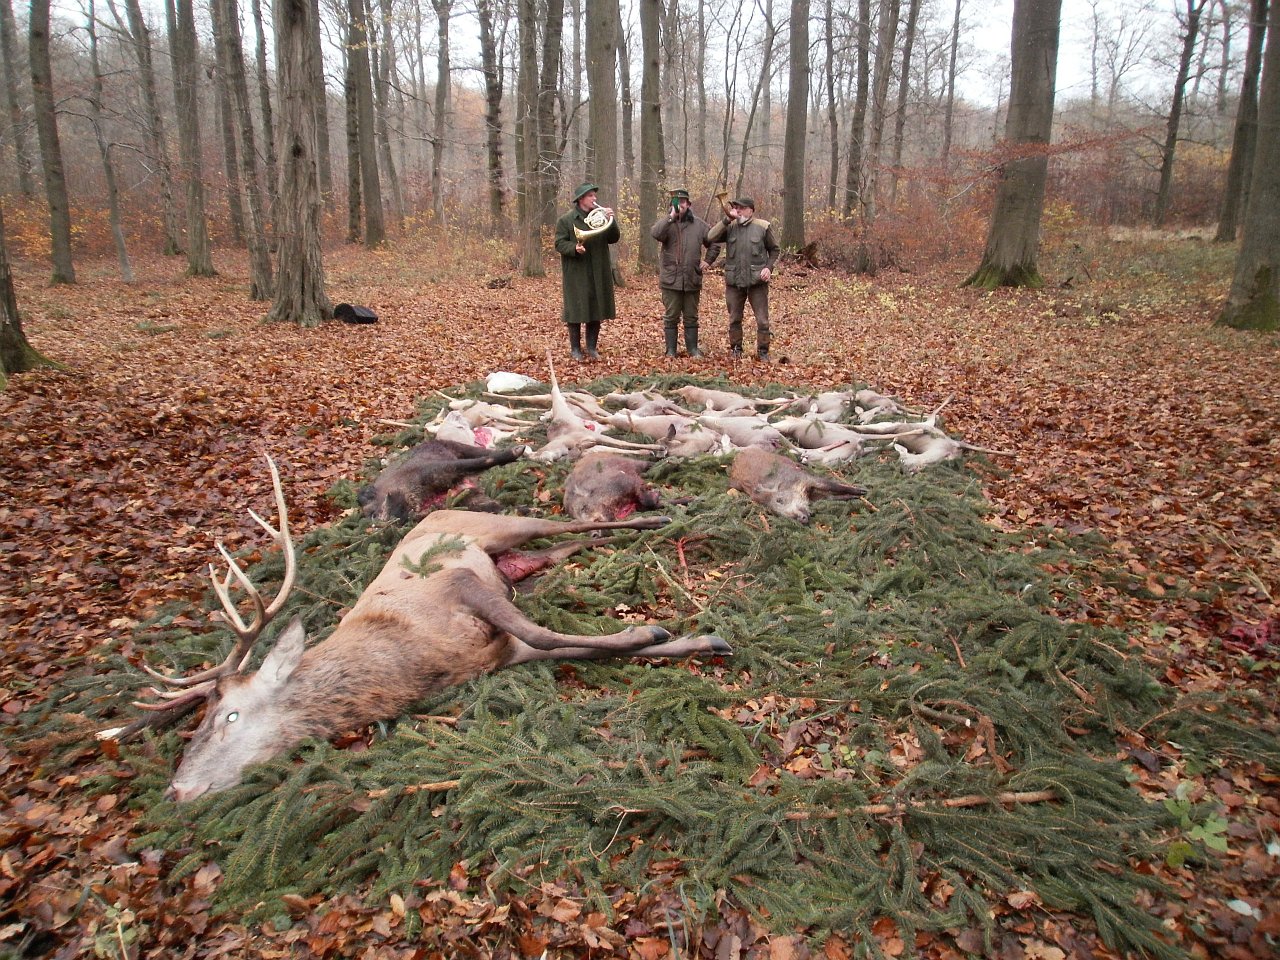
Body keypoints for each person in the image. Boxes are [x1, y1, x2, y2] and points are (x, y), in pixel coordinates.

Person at [705, 196, 780, 360]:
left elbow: (774, 250)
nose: (737, 210)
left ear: (750, 210)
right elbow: (710, 237)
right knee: (734, 319)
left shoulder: (763, 227)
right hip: (734, 282)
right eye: (735, 207)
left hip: (757, 282)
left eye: (741, 208)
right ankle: (736, 350)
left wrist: (768, 268)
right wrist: (726, 220)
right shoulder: (730, 227)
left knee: (762, 320)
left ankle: (763, 352)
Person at [650, 189, 720, 358]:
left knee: (691, 316)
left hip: (691, 277)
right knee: (671, 316)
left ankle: (693, 349)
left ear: (688, 204)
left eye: (682, 201)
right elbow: (655, 233)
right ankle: (671, 350)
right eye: (676, 201)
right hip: (670, 279)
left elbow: (714, 242)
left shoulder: (699, 225)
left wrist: (708, 261)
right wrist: (671, 217)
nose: (679, 204)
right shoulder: (666, 224)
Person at [554, 182, 620, 361]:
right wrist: (574, 248)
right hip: (576, 271)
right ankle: (575, 349)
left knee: (595, 309)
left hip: (598, 268)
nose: (594, 198)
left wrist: (611, 220)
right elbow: (559, 243)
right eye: (590, 196)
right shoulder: (566, 220)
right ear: (581, 199)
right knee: (575, 310)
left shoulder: (600, 216)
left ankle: (591, 348)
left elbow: (614, 238)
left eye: (594, 195)